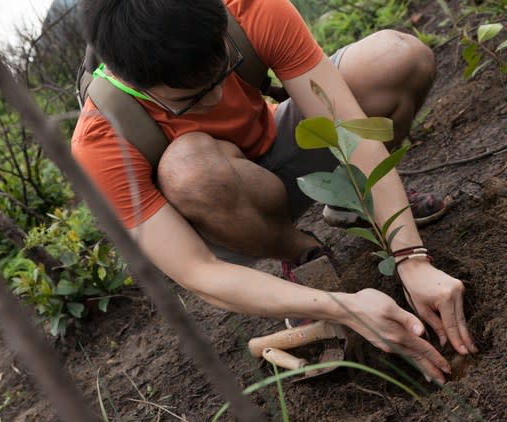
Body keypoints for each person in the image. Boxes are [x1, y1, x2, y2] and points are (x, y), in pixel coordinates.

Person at [72, 0, 476, 384]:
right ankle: (300, 257)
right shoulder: (102, 137)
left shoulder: (248, 11)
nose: (215, 98)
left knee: (398, 55)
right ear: (134, 81)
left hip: (279, 150)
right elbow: (199, 272)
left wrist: (411, 257)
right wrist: (343, 307)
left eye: (222, 69)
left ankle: (356, 204)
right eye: (190, 98)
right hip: (215, 218)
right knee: (188, 170)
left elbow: (350, 129)